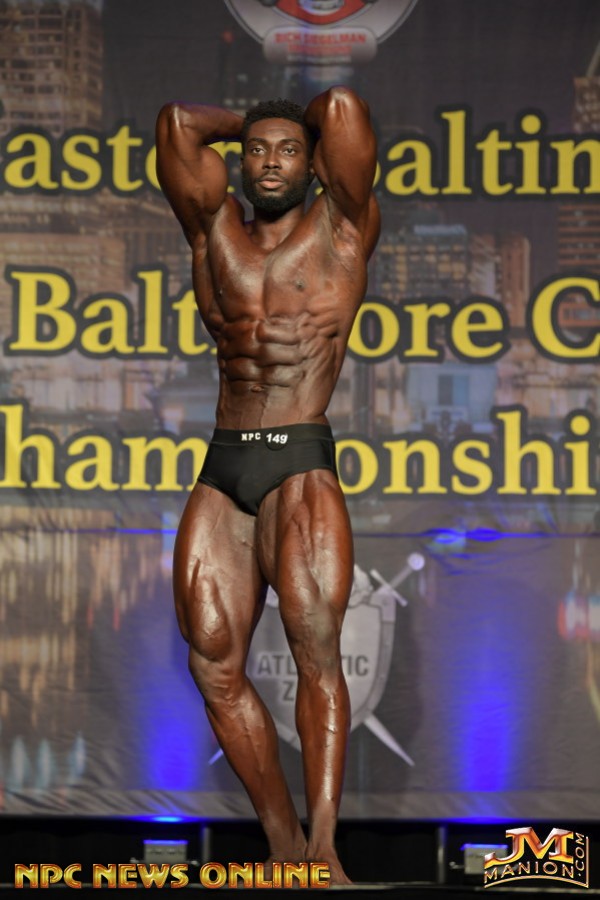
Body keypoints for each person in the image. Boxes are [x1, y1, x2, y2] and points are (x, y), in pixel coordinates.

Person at [155, 85, 379, 885]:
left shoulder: (342, 225)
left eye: (288, 151)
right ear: (240, 162)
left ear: (314, 165)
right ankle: (285, 847)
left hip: (298, 460)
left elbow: (343, 107)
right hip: (225, 463)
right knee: (212, 664)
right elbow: (178, 125)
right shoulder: (212, 229)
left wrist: (298, 128)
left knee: (316, 652)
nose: (270, 162)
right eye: (257, 151)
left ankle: (325, 847)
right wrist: (250, 118)